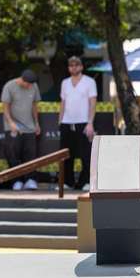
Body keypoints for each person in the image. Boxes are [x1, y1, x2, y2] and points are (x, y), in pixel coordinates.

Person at [59, 56, 97, 191]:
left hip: (83, 122)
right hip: (67, 122)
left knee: (85, 154)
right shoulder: (65, 83)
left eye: (76, 65)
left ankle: (85, 182)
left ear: (81, 67)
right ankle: (67, 182)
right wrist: (60, 121)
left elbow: (93, 103)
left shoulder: (89, 82)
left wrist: (90, 122)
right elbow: (63, 103)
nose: (73, 67)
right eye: (71, 65)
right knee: (66, 154)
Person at [1, 68, 41, 190]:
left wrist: (37, 123)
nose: (30, 87)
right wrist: (11, 123)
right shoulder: (9, 86)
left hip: (29, 126)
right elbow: (5, 108)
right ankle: (16, 181)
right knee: (13, 155)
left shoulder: (34, 86)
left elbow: (34, 105)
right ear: (22, 81)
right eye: (28, 84)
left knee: (30, 154)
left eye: (31, 85)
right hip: (13, 127)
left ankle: (30, 179)